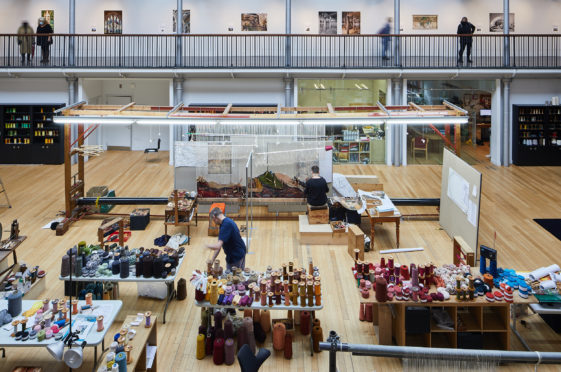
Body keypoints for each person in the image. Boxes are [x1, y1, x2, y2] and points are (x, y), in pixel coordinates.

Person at [206, 207, 247, 271]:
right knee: (240, 275)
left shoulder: (225, 226)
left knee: (233, 277)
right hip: (240, 252)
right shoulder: (227, 221)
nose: (214, 222)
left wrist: (206, 246)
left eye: (213, 220)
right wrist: (212, 260)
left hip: (235, 256)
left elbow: (217, 246)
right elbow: (219, 246)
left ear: (214, 217)